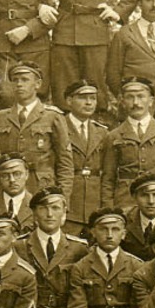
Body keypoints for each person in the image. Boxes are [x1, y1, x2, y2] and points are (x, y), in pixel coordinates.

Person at [0, 62, 71, 198]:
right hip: (8, 186)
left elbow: (65, 163)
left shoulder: (53, 117)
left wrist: (62, 198)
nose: (19, 84)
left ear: (37, 84)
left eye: (25, 80)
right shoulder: (0, 117)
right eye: (15, 80)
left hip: (41, 187)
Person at [101, 77, 155, 213]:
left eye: (141, 97)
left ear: (151, 101)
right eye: (130, 97)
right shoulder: (113, 136)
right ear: (122, 102)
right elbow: (108, 180)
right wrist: (109, 211)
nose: (136, 103)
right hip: (126, 202)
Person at [19, 188, 89, 308]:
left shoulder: (80, 248)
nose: (50, 214)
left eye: (55, 208)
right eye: (43, 208)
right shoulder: (19, 246)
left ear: (64, 213)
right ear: (34, 214)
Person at [59, 80, 109, 233]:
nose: (89, 103)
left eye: (93, 98)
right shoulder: (59, 127)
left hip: (95, 205)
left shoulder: (102, 132)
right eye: (82, 97)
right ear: (69, 100)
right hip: (70, 204)